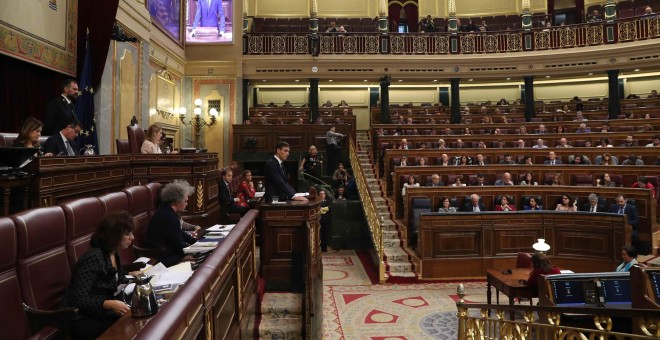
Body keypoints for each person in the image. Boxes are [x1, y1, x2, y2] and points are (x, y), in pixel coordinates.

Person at [61, 211, 136, 339]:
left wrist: (134, 276)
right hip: (83, 318)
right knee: (131, 323)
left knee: (138, 312)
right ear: (114, 235)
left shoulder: (113, 252)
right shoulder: (94, 257)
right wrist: (107, 304)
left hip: (101, 311)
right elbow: (77, 298)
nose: (132, 237)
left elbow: (113, 278)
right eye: (127, 234)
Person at [147, 180, 198, 266]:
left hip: (171, 250)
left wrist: (195, 242)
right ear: (176, 201)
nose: (187, 204)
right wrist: (196, 250)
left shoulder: (168, 211)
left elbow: (179, 232)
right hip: (163, 256)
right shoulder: (167, 216)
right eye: (185, 201)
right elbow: (179, 244)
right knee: (199, 259)